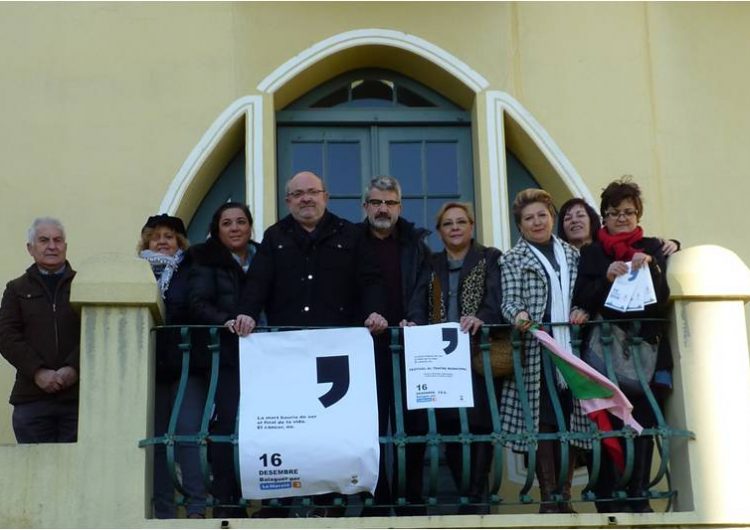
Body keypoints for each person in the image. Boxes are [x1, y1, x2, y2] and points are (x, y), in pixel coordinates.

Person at [235, 171, 387, 517]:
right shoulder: (275, 237)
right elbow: (257, 282)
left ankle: (328, 505)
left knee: (332, 432)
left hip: (336, 353)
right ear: (288, 201)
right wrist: (246, 313)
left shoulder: (350, 234)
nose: (306, 199)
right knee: (291, 428)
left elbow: (370, 280)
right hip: (288, 354)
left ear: (326, 196)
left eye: (312, 192)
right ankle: (283, 504)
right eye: (298, 194)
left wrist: (376, 312)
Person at [573, 177, 671, 513]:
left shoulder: (654, 247)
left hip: (644, 354)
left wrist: (653, 268)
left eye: (629, 212)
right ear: (604, 217)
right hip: (604, 357)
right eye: (614, 212)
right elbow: (581, 300)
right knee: (607, 427)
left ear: (638, 215)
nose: (622, 218)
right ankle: (608, 499)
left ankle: (638, 494)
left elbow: (663, 302)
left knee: (641, 425)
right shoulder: (593, 253)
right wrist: (607, 279)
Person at [498, 189, 589, 513]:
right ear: (519, 225)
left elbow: (586, 291)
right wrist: (519, 316)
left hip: (572, 350)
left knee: (571, 420)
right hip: (536, 352)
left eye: (542, 215)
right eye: (528, 218)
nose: (536, 222)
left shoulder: (574, 254)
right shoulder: (512, 258)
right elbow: (509, 300)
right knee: (543, 424)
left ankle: (565, 496)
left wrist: (582, 309)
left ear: (551, 217)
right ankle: (550, 498)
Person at [357, 175, 432, 516]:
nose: (382, 208)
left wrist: (413, 319)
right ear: (365, 207)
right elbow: (344, 289)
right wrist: (363, 317)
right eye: (376, 202)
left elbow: (423, 288)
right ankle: (375, 499)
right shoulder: (351, 242)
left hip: (409, 344)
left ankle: (411, 500)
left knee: (413, 425)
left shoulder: (416, 244)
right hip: (363, 347)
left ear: (400, 207)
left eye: (389, 202)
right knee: (368, 427)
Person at [425, 202, 502, 514]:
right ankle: (465, 492)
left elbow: (497, 299)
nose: (455, 227)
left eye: (460, 222)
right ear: (440, 231)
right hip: (441, 356)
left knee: (480, 424)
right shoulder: (431, 262)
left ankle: (475, 496)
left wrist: (481, 317)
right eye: (447, 223)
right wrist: (413, 322)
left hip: (477, 353)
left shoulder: (490, 257)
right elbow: (418, 299)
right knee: (450, 425)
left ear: (472, 226)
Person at [188, 202, 258, 518]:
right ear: (217, 229)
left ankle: (268, 499)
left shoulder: (262, 256)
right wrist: (227, 321)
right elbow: (197, 302)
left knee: (264, 426)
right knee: (227, 427)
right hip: (225, 356)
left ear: (250, 227)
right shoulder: (204, 257)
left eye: (241, 222)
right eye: (227, 223)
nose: (234, 228)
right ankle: (228, 502)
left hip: (263, 355)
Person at [137, 214, 207, 519]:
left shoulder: (190, 270)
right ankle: (162, 509)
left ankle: (196, 505)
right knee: (155, 438)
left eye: (169, 237)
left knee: (186, 433)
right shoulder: (137, 273)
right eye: (156, 237)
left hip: (185, 363)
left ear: (179, 242)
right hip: (150, 369)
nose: (162, 242)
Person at [0, 217, 80, 443]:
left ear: (65, 245)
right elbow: (6, 336)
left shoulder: (84, 284)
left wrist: (73, 368)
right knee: (34, 474)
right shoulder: (16, 289)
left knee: (76, 475)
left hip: (77, 399)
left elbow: (93, 332)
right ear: (30, 248)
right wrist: (38, 372)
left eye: (58, 240)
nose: (52, 246)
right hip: (31, 398)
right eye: (44, 240)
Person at [558, 197, 680, 256]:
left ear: (593, 221)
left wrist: (673, 244)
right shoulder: (560, 257)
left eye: (580, 216)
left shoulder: (607, 248)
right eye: (567, 218)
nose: (574, 221)